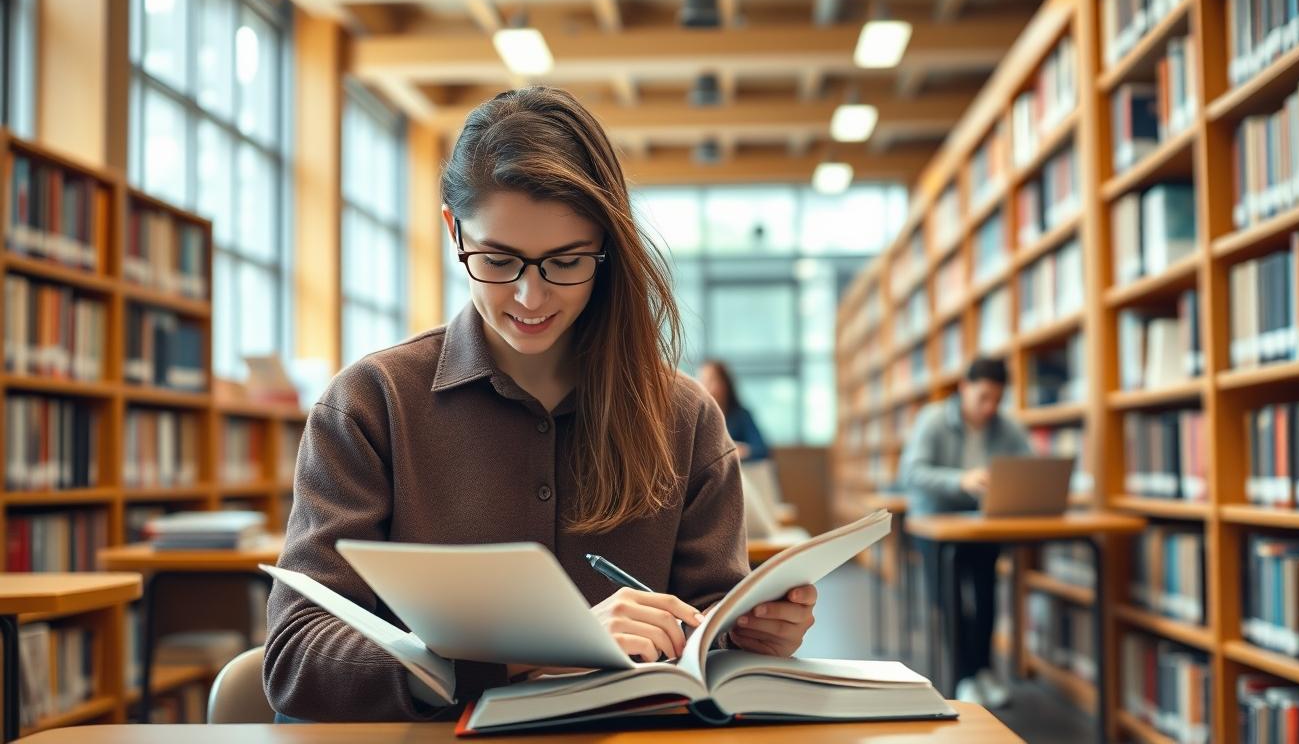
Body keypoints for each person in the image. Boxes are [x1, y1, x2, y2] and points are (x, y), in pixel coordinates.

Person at [263, 87, 818, 722]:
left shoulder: (685, 419)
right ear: (454, 230)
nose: (530, 297)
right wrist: (526, 653)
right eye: (497, 259)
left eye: (566, 261)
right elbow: (297, 655)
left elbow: (712, 643)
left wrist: (752, 638)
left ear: (606, 247)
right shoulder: (370, 404)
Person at [897, 356, 1032, 709]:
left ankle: (983, 670)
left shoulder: (1006, 427)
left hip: (981, 526)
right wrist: (961, 480)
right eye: (982, 397)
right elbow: (910, 472)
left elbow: (1029, 467)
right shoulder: (933, 419)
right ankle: (963, 677)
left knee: (987, 595)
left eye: (997, 400)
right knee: (951, 600)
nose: (989, 408)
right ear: (964, 389)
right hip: (935, 527)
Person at [697, 360, 771, 463]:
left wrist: (739, 451)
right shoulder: (697, 418)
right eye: (702, 381)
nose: (706, 386)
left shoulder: (741, 416)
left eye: (711, 380)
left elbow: (761, 450)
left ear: (725, 384)